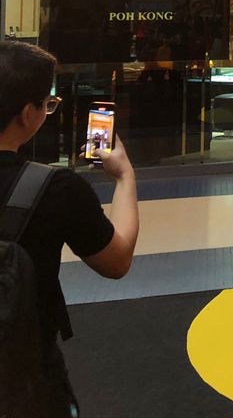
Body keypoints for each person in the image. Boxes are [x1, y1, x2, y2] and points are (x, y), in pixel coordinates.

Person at [0, 41, 139, 417]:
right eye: (47, 103)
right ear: (28, 114)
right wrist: (124, 177)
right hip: (26, 380)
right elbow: (117, 259)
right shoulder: (55, 189)